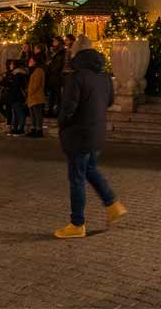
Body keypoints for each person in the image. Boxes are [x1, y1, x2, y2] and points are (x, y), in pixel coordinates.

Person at [53, 38, 127, 238]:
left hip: (78, 134)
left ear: (76, 55)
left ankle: (77, 224)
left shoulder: (76, 77)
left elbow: (68, 108)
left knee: (77, 178)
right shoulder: (104, 76)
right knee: (91, 169)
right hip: (96, 133)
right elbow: (109, 100)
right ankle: (112, 204)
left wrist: (61, 123)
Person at [2, 60, 29, 135]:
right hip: (13, 96)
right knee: (15, 113)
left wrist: (9, 80)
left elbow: (16, 86)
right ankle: (15, 128)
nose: (10, 66)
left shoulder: (18, 74)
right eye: (10, 64)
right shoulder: (13, 74)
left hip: (17, 96)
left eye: (12, 64)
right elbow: (7, 83)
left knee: (20, 113)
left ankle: (21, 129)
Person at [26, 54, 47, 138]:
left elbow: (36, 85)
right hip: (32, 97)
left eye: (31, 61)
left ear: (35, 62)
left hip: (36, 97)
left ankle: (39, 130)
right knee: (33, 115)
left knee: (37, 115)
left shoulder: (38, 71)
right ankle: (33, 129)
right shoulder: (33, 71)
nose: (29, 62)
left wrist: (29, 93)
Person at [46, 36, 67, 117]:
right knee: (51, 94)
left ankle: (58, 111)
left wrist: (51, 67)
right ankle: (50, 111)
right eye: (53, 41)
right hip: (51, 76)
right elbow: (48, 62)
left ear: (59, 42)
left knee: (58, 95)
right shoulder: (52, 52)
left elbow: (59, 64)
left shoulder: (62, 51)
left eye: (55, 41)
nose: (53, 43)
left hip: (58, 76)